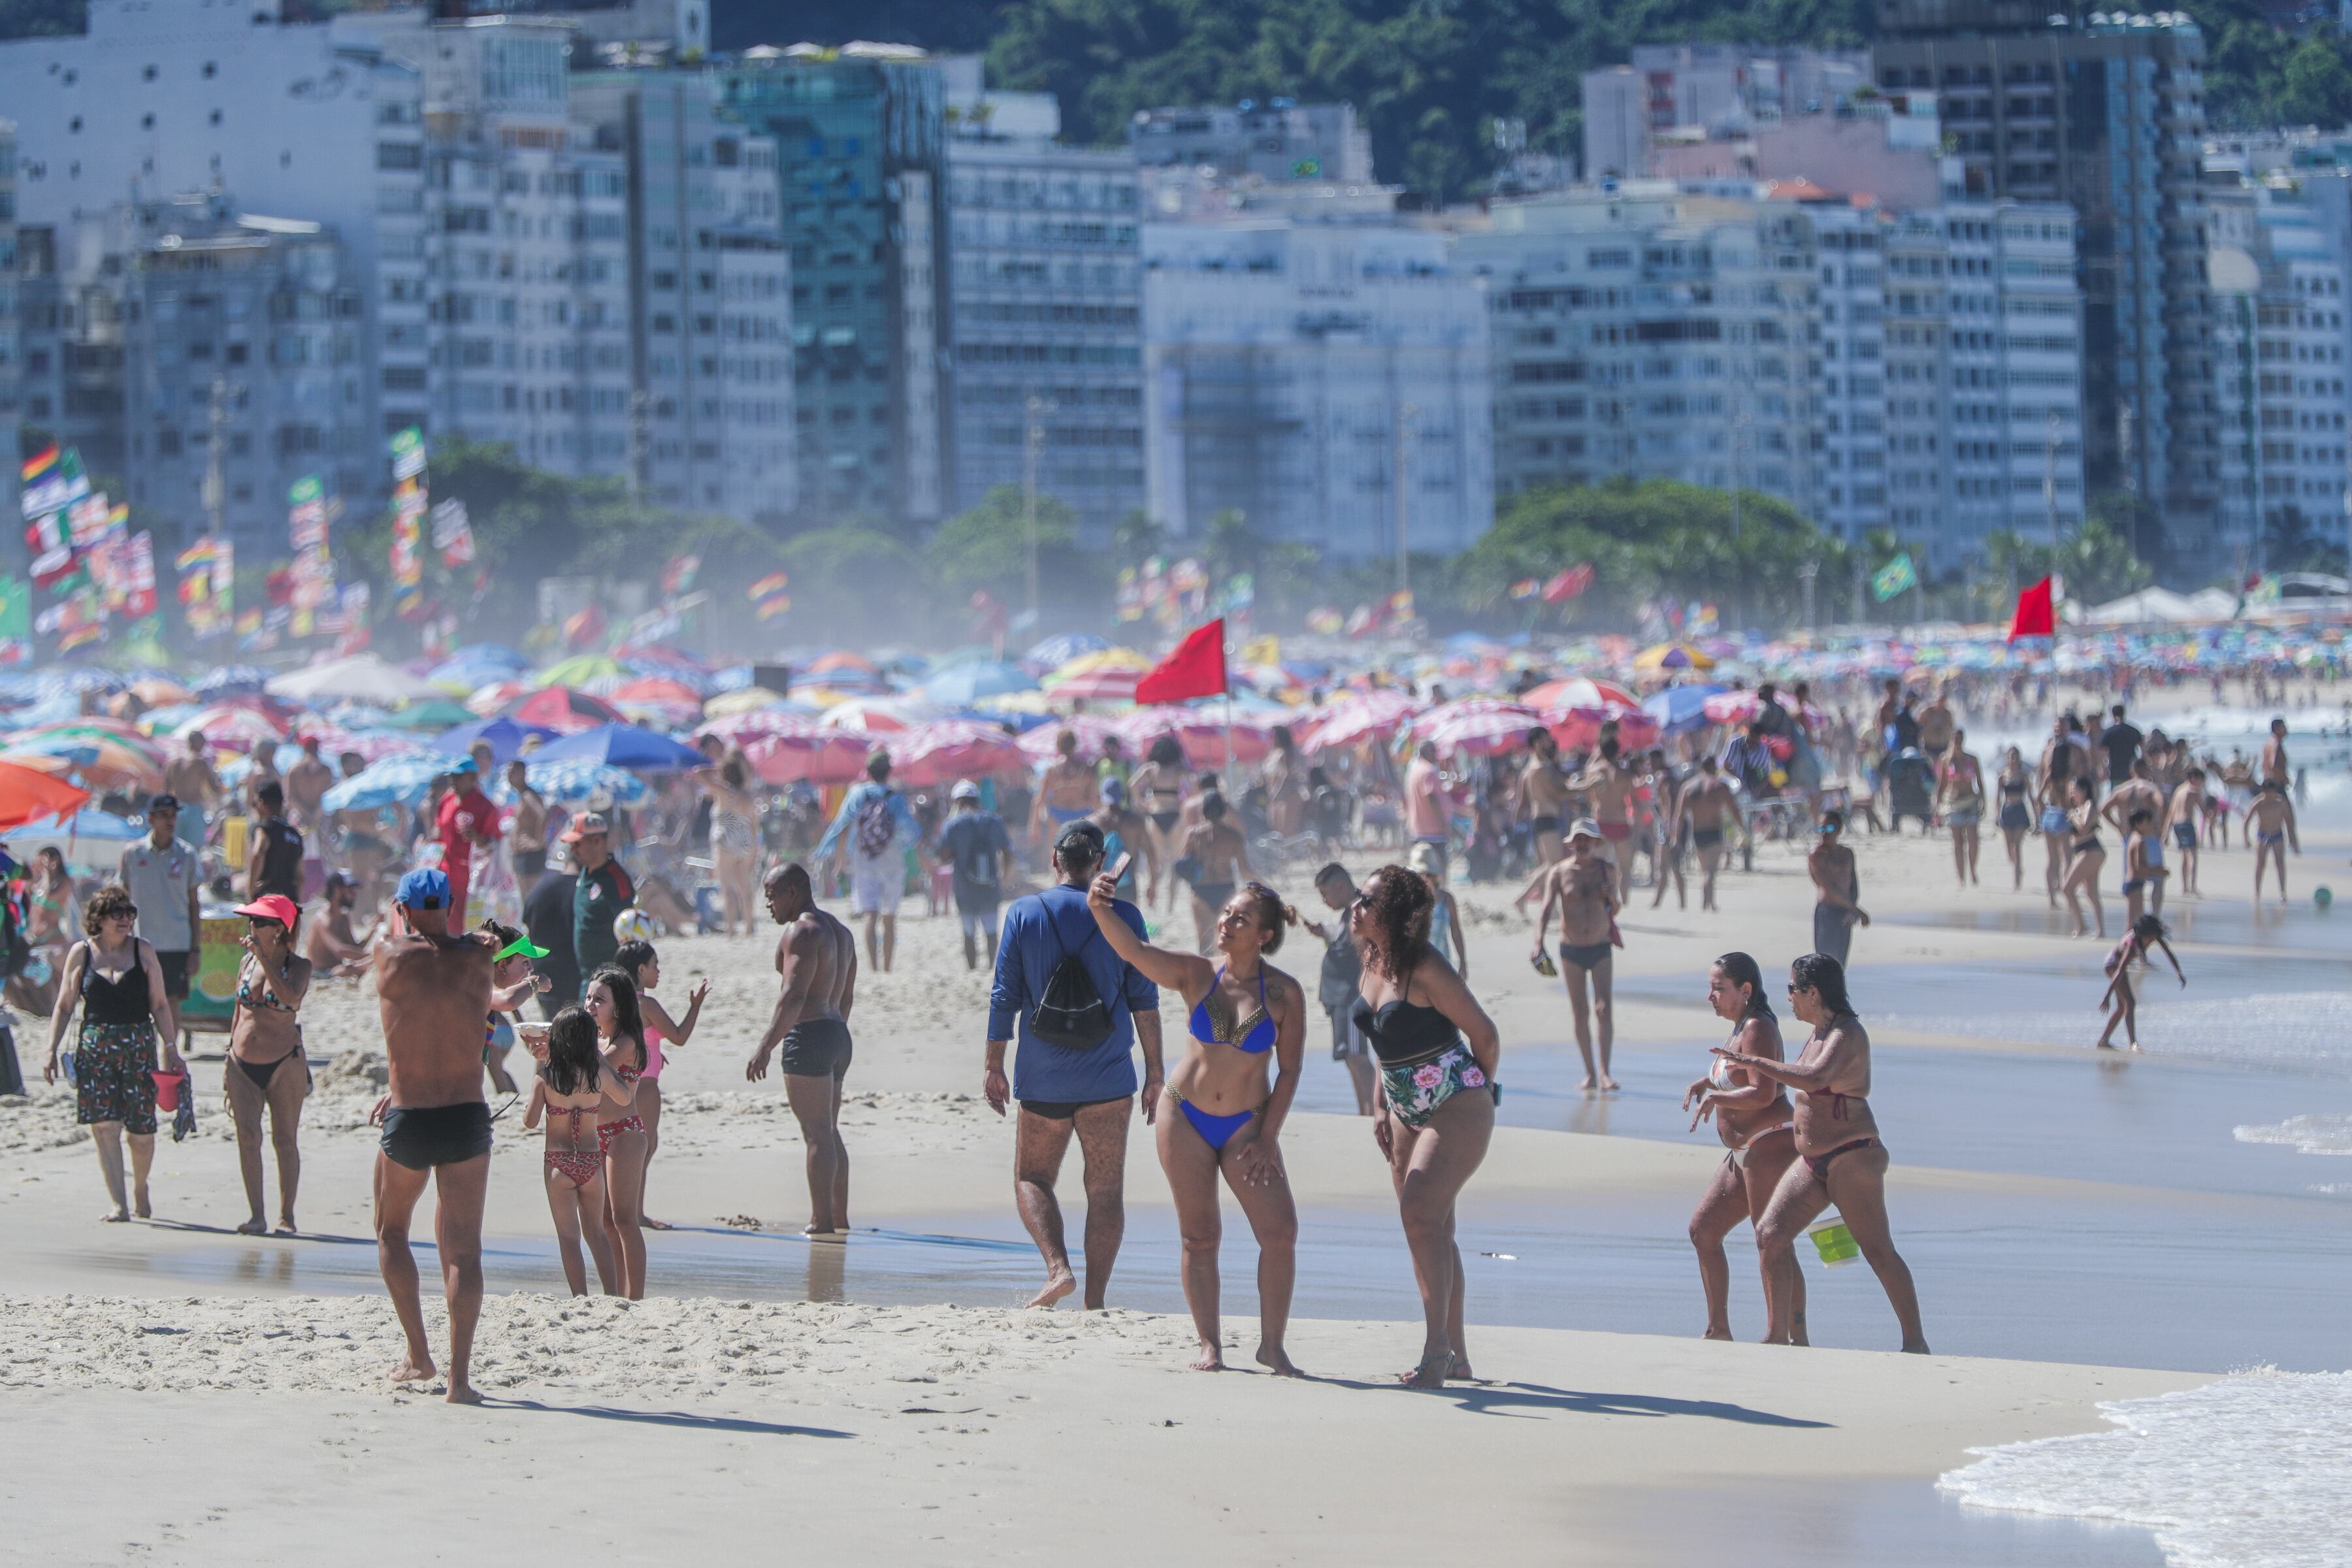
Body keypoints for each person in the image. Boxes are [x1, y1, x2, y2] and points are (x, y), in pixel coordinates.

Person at [1084, 873, 1307, 1375]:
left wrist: (1269, 1136)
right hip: (1184, 1115)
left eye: (1241, 919)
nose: (1226, 922)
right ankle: (1210, 1344)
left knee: (1280, 1232)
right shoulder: (1196, 974)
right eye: (1226, 913)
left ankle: (1273, 1346)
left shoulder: (1283, 993)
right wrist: (1100, 908)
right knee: (1199, 1236)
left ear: (1264, 936)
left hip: (1247, 1127)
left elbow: (1290, 1070)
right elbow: (1135, 952)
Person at [983, 821, 1164, 1310]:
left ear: (1056, 861)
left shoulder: (1024, 913)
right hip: (1108, 1077)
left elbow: (1005, 995)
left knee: (1032, 1178)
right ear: (1101, 864)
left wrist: (994, 1065)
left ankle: (1058, 1269)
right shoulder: (1124, 916)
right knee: (1105, 1188)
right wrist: (1155, 1074)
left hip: (1042, 1077)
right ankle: (1096, 1301)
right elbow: (1144, 1000)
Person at [1722, 955, 1928, 1354]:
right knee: (1769, 1235)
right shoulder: (1817, 1032)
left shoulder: (1848, 1034)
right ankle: (1779, 1336)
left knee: (1877, 1250)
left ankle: (1915, 1343)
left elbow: (1815, 1079)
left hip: (1852, 1158)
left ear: (1813, 993)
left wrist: (1756, 1062)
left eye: (1793, 990)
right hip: (1812, 1162)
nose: (1789, 998)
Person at [1353, 865, 1501, 1386]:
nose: (1356, 907)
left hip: (1455, 1100)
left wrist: (1481, 1089)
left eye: (1367, 901)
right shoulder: (1370, 958)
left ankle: (1436, 1351)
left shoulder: (1426, 966)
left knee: (1420, 1216)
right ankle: (1456, 1355)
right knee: (1430, 1230)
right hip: (1401, 1106)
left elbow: (1485, 1034)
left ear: (1392, 913)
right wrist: (1380, 1103)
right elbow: (1381, 1042)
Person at [370, 866, 497, 1403]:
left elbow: (393, 938)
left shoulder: (389, 956)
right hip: (466, 1115)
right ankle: (460, 1381)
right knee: (464, 1253)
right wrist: (471, 937)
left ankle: (419, 1355)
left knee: (391, 1232)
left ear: (401, 909)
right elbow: (485, 946)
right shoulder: (479, 958)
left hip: (413, 1116)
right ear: (449, 907)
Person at [1680, 953, 1806, 1345]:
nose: (1710, 996)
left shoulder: (1758, 1028)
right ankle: (1719, 1329)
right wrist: (1710, 1082)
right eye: (1711, 988)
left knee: (1772, 1241)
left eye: (1719, 988)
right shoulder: (1739, 1028)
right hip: (1743, 1153)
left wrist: (1718, 1099)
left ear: (1746, 990)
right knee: (1704, 1230)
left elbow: (1766, 1091)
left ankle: (1787, 1337)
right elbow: (1740, 1076)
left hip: (1770, 1145)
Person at [42, 883, 180, 1222]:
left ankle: (140, 1187)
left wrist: (171, 1047)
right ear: (98, 919)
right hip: (96, 1048)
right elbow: (64, 1005)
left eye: (129, 913)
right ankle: (119, 1202)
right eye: (117, 914)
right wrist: (51, 1049)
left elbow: (160, 1005)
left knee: (142, 1132)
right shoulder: (82, 953)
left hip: (138, 1046)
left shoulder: (143, 951)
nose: (125, 920)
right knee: (105, 1127)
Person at [742, 864, 860, 1235]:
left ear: (793, 892)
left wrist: (765, 1046)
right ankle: (839, 1218)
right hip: (838, 1035)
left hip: (809, 1035)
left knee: (817, 1133)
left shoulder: (803, 931)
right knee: (829, 1130)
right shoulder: (840, 932)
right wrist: (833, 1032)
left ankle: (820, 1221)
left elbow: (793, 995)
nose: (768, 904)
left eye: (772, 895)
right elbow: (846, 996)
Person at [520, 1005, 629, 1296]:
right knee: (597, 1235)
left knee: (569, 1238)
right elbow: (624, 1096)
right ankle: (613, 1295)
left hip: (559, 1162)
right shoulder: (596, 1075)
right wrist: (599, 1061)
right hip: (591, 1162)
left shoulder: (546, 1076)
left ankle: (580, 1297)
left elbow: (529, 1122)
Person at [223, 892, 312, 1236]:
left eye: (259, 921)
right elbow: (238, 1012)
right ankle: (257, 1215)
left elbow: (291, 998)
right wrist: (227, 1060)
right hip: (241, 1063)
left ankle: (286, 1216)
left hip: (284, 1063)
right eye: (251, 920)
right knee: (247, 1136)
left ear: (279, 929)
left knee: (284, 1139)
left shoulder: (299, 966)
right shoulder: (246, 963)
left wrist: (264, 957)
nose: (252, 926)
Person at [615, 937, 706, 1232]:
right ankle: (636, 1214)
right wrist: (695, 1006)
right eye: (655, 966)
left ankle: (619, 1211)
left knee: (619, 1147)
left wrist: (655, 1054)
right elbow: (679, 1036)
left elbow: (631, 1039)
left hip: (619, 1082)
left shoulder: (616, 1002)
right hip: (645, 1086)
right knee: (645, 1147)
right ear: (641, 970)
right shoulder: (646, 1004)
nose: (658, 971)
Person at [1524, 820, 1618, 1091]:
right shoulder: (1559, 872)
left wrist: (1611, 897)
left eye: (1587, 839)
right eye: (1578, 839)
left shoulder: (1607, 871)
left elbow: (1617, 909)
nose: (1582, 844)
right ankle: (1589, 1073)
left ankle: (1605, 1072)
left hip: (1601, 946)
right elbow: (1544, 910)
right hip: (1571, 949)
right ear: (1571, 844)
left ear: (1595, 843)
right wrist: (1538, 942)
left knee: (1604, 1009)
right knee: (1580, 1011)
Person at [578, 963, 652, 1297]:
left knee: (624, 1220)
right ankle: (617, 1292)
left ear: (618, 1007)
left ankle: (635, 1296)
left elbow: (596, 1067)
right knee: (606, 1222)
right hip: (599, 1134)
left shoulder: (626, 1041)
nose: (590, 1005)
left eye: (599, 1000)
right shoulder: (598, 1037)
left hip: (625, 1133)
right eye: (589, 998)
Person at [815, 753, 925, 973]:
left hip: (864, 859)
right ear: (889, 771)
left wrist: (840, 860)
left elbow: (842, 826)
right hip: (892, 860)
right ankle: (887, 967)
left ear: (867, 771)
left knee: (869, 914)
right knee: (889, 917)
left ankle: (874, 968)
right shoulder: (896, 797)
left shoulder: (857, 793)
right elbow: (909, 832)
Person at [118, 793, 202, 1047]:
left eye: (174, 816)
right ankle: (144, 1055)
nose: (170, 821)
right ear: (151, 819)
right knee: (138, 1000)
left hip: (176, 942)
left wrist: (195, 949)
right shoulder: (133, 853)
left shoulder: (187, 854)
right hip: (141, 941)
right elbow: (121, 898)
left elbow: (194, 905)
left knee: (171, 1001)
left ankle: (170, 1057)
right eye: (164, 815)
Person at [1303, 862, 1374, 1115]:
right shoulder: (1348, 914)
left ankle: (1374, 1111)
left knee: (1358, 1057)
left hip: (1352, 998)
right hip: (1340, 998)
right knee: (1349, 1057)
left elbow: (1364, 951)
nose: (1324, 900)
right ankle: (1364, 1111)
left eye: (1326, 894)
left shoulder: (1361, 910)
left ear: (1340, 886)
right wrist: (1325, 932)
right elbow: (1346, 940)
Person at [939, 779, 1011, 971]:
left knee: (968, 931)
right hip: (990, 884)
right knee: (991, 930)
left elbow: (944, 856)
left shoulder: (953, 824)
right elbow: (1007, 852)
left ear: (958, 802)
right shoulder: (995, 821)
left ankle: (972, 968)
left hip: (964, 886)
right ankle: (990, 966)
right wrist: (1004, 876)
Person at [564, 813, 634, 993]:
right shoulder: (586, 872)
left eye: (577, 844)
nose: (573, 850)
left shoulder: (615, 880)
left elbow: (629, 934)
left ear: (597, 841)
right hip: (585, 979)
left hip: (610, 982)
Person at [694, 751, 761, 938]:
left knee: (728, 889)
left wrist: (717, 767)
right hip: (746, 841)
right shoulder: (747, 795)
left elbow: (698, 773)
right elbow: (755, 824)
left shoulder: (723, 792)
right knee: (745, 887)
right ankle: (749, 926)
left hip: (724, 841)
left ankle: (731, 930)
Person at [1177, 790, 1252, 956]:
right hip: (1226, 890)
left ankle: (1206, 978)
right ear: (1224, 811)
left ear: (1203, 811)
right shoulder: (1234, 837)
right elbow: (1245, 870)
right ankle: (1225, 977)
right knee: (1227, 942)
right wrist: (1263, 883)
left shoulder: (1193, 834)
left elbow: (1182, 865)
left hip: (1201, 890)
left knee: (1204, 943)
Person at [2097, 914, 2185, 1053]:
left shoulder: (2153, 935)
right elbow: (2119, 970)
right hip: (2113, 965)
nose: (2151, 941)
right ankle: (2133, 1043)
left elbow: (2169, 953)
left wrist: (2179, 972)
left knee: (2122, 1007)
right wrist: (2107, 996)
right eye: (2149, 938)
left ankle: (2104, 1040)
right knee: (2130, 1002)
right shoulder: (2132, 944)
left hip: (2118, 966)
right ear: (2143, 934)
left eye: (2153, 938)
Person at [434, 757, 499, 928]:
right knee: (444, 918)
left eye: (459, 777)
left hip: (471, 876)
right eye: (452, 777)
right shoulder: (447, 800)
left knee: (468, 922)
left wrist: (476, 837)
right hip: (445, 871)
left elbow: (493, 844)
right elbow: (439, 830)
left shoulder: (485, 806)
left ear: (473, 778)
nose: (453, 781)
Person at [1128, 736, 1190, 909]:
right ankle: (1171, 904)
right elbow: (1196, 784)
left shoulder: (1150, 769)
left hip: (1155, 815)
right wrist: (1187, 803)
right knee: (1175, 863)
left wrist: (1141, 803)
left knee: (1157, 861)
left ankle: (1153, 899)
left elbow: (1132, 784)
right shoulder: (1179, 769)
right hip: (1176, 815)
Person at [523, 847, 581, 1017]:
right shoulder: (584, 891)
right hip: (574, 974)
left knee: (554, 1033)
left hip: (544, 975)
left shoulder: (539, 889)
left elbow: (527, 923)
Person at [1808, 811, 1867, 967]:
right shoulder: (1817, 855)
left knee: (1841, 964)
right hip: (1827, 912)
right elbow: (1827, 888)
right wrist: (1856, 910)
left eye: (1829, 829)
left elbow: (1853, 886)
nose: (1824, 834)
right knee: (1826, 965)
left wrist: (1851, 910)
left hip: (1845, 912)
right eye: (1821, 829)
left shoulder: (1847, 853)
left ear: (1839, 829)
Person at [1030, 729, 1101, 860]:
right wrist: (1101, 823)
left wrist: (1034, 826)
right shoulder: (1086, 770)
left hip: (1057, 815)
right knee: (1081, 856)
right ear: (1075, 746)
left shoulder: (1052, 771)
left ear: (1058, 747)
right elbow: (1095, 799)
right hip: (1082, 815)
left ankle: (1058, 878)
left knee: (1057, 855)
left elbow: (1039, 800)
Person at [1933, 728, 1985, 889]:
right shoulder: (1946, 760)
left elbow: (1980, 782)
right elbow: (1941, 785)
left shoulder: (1972, 759)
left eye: (1960, 739)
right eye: (1955, 739)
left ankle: (1973, 870)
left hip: (1970, 801)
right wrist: (1937, 808)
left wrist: (1984, 801)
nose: (1957, 742)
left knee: (1974, 841)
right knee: (1958, 843)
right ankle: (1961, 878)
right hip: (1953, 803)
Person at [2061, 776, 2107, 939]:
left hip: (2091, 850)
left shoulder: (2089, 805)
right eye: (2071, 791)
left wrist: (2073, 816)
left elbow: (2084, 828)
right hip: (2083, 851)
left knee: (2067, 888)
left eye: (2075, 791)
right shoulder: (2079, 808)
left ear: (2084, 790)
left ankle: (2082, 925)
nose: (2073, 794)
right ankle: (2100, 930)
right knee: (2092, 893)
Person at [306, 871, 376, 977]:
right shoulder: (323, 920)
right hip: (321, 973)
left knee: (363, 965)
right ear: (337, 890)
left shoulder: (344, 918)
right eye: (350, 890)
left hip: (337, 969)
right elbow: (341, 951)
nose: (354, 894)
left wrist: (373, 929)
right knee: (356, 968)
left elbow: (355, 949)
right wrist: (374, 956)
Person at [246, 781, 304, 906]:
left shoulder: (263, 829)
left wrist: (251, 889)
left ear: (262, 804)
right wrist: (295, 899)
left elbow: (258, 853)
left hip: (266, 898)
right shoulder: (295, 834)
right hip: (289, 898)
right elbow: (300, 877)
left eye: (255, 804)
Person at [1520, 728, 1572, 868]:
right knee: (1553, 864)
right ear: (1537, 743)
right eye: (1546, 738)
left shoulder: (1529, 769)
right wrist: (1587, 786)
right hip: (1546, 818)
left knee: (1549, 865)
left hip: (1541, 819)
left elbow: (1523, 802)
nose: (1550, 741)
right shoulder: (1539, 768)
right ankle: (1527, 891)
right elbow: (1559, 793)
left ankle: (1541, 891)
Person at [162, 732, 223, 849]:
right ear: (199, 743)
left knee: (174, 847)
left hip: (176, 807)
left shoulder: (172, 762)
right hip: (194, 808)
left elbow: (166, 790)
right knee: (193, 849)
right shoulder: (200, 763)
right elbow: (214, 788)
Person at [1403, 741, 1451, 875]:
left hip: (1417, 829)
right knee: (1438, 870)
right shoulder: (1428, 771)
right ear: (1427, 752)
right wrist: (1443, 823)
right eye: (1434, 751)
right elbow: (1431, 798)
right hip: (1433, 831)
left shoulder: (1414, 770)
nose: (1436, 755)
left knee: (1418, 870)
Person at [2248, 783, 2300, 904]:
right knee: (2260, 864)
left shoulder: (2281, 803)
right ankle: (2257, 892)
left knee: (2280, 863)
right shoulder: (2259, 802)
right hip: (2262, 835)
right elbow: (2248, 818)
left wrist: (2292, 838)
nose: (2270, 795)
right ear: (2264, 791)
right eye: (2267, 792)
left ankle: (2283, 892)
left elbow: (2289, 821)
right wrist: (2246, 837)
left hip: (2278, 836)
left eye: (2272, 792)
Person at [2116, 808, 2164, 930]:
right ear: (2138, 824)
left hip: (2134, 883)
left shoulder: (2133, 837)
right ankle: (2127, 947)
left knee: (2135, 922)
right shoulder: (2140, 841)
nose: (2151, 826)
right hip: (2134, 884)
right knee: (2134, 923)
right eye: (2148, 823)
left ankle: (2133, 947)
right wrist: (2158, 871)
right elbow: (2140, 868)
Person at [1994, 745, 2034, 892]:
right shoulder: (2002, 776)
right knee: (2009, 848)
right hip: (2007, 810)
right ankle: (2018, 868)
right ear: (2007, 758)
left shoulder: (2024, 776)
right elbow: (1998, 798)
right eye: (2011, 756)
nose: (2013, 759)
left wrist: (2036, 816)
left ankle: (2016, 882)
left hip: (2020, 810)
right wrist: (1996, 815)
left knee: (2017, 847)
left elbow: (2031, 796)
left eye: (2016, 756)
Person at [506, 760, 550, 890]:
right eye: (508, 773)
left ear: (523, 774)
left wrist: (538, 842)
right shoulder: (521, 796)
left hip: (530, 856)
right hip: (523, 855)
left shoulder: (528, 795)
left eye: (513, 773)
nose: (509, 777)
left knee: (530, 898)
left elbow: (543, 815)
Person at [286, 733, 336, 839]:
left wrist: (306, 814)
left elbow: (290, 797)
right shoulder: (326, 771)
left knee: (298, 851)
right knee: (322, 853)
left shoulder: (294, 770)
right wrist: (316, 815)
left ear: (303, 748)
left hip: (300, 816)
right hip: (320, 817)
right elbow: (329, 797)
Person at [2164, 768, 2205, 898]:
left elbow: (2171, 812)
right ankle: (2192, 887)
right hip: (2187, 824)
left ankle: (2185, 887)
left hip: (2177, 825)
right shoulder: (2194, 791)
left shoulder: (2179, 790)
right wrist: (2211, 816)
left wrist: (2166, 833)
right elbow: (2203, 809)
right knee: (2193, 856)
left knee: (2185, 856)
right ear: (2194, 778)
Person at [2100, 702, 2144, 789]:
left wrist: (2104, 768)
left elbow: (2102, 753)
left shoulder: (2109, 732)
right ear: (2124, 714)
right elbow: (2143, 749)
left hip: (2115, 771)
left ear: (2112, 715)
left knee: (2116, 797)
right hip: (2132, 771)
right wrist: (2142, 767)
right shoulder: (2134, 730)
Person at [2259, 717, 2290, 792]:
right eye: (2284, 727)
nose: (2286, 730)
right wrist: (2284, 778)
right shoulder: (2276, 743)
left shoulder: (2269, 742)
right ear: (2277, 729)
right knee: (2285, 804)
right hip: (2276, 786)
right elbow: (2273, 764)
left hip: (2268, 785)